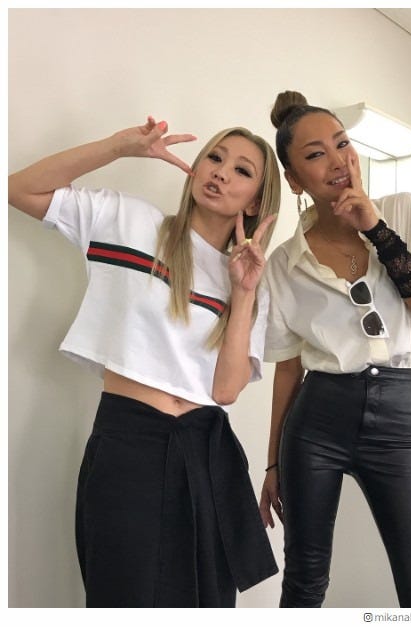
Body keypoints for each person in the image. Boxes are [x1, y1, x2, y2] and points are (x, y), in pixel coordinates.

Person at [8, 115, 281, 608]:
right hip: (129, 442)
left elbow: (225, 391)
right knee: (125, 596)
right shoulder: (129, 222)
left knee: (204, 603)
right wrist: (117, 147)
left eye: (242, 171)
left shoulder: (250, 281)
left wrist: (243, 293)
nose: (221, 172)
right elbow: (19, 189)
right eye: (215, 157)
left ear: (256, 202)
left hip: (205, 452)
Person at [259, 91, 411, 608]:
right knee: (304, 583)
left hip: (397, 424)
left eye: (342, 143)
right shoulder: (284, 263)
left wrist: (375, 229)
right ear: (295, 180)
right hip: (316, 422)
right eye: (315, 154)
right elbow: (288, 369)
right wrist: (272, 464)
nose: (338, 160)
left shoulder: (404, 211)